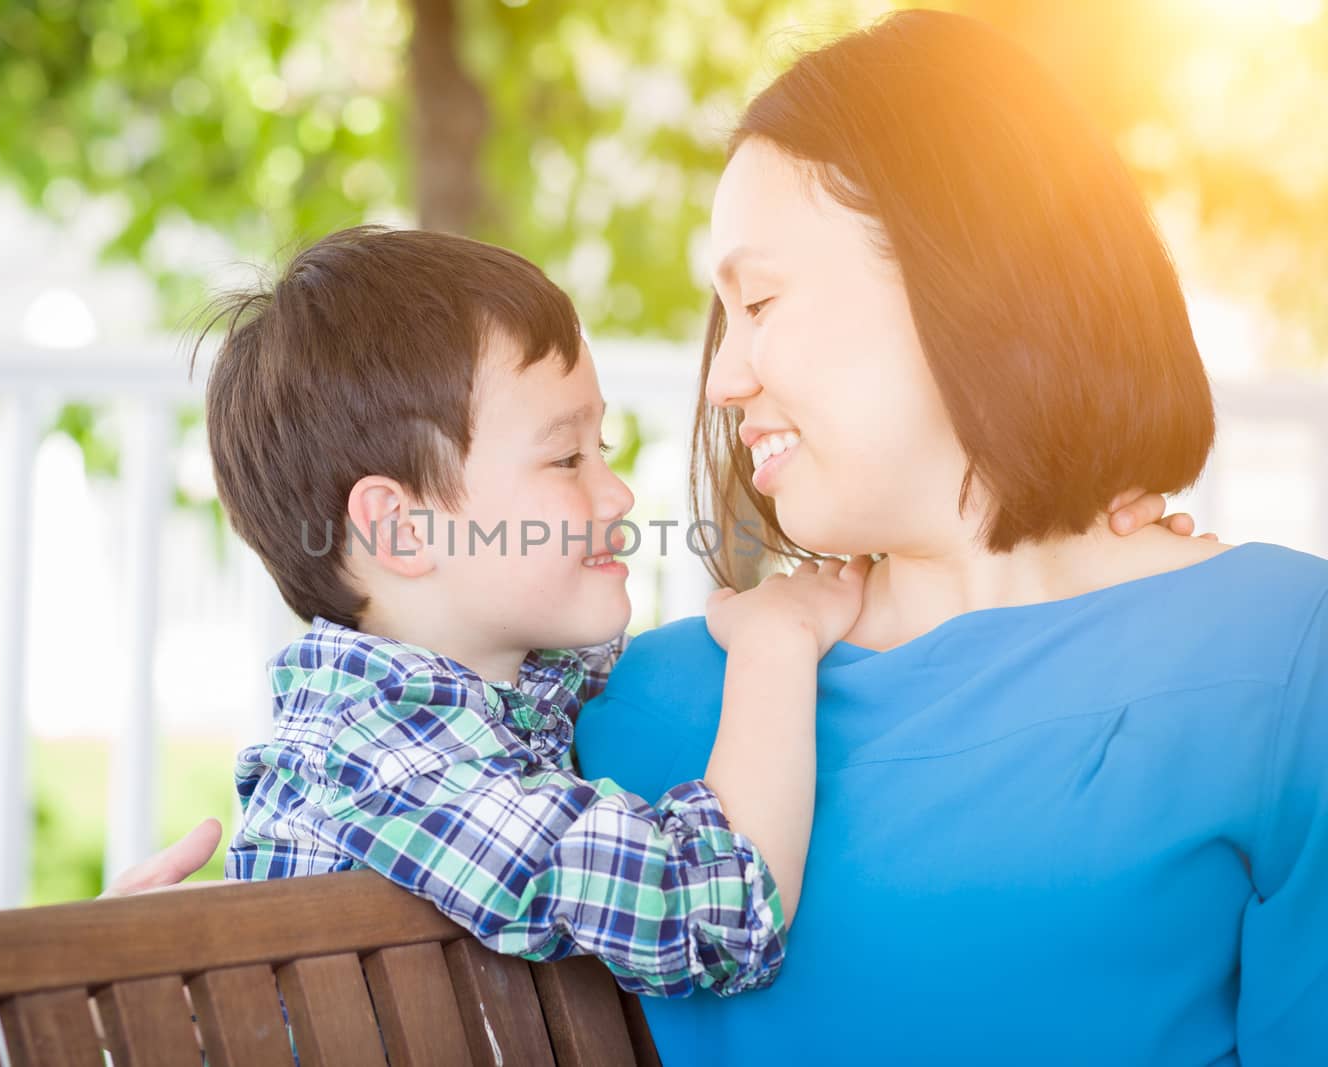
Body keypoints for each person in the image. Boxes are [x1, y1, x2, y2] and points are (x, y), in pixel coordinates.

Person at [567, 10, 1327, 1064]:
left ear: (964, 276)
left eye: (762, 301)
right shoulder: (607, 708)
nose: (720, 382)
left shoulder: (1282, 661)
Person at [188, 225, 873, 996]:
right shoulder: (385, 766)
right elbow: (715, 918)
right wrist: (775, 644)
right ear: (401, 528)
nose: (616, 493)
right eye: (566, 458)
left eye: (602, 445)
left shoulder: (507, 695)